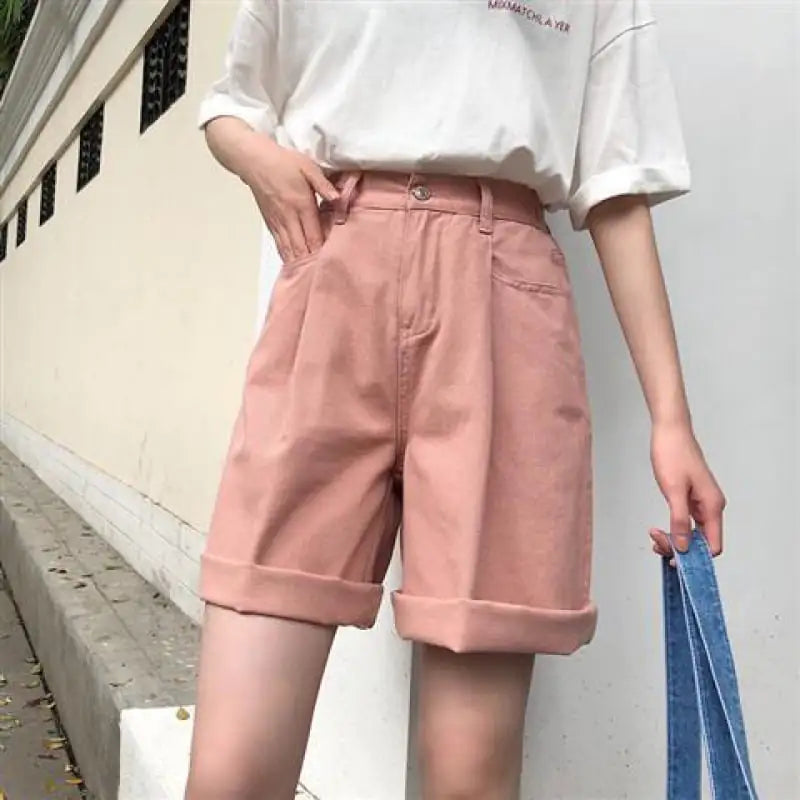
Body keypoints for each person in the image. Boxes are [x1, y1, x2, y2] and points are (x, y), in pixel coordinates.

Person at [184, 2, 727, 799]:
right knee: (232, 774)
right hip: (334, 272)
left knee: (469, 778)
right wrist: (255, 158)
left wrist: (671, 421)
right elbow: (234, 103)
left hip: (505, 305)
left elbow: (615, 184)